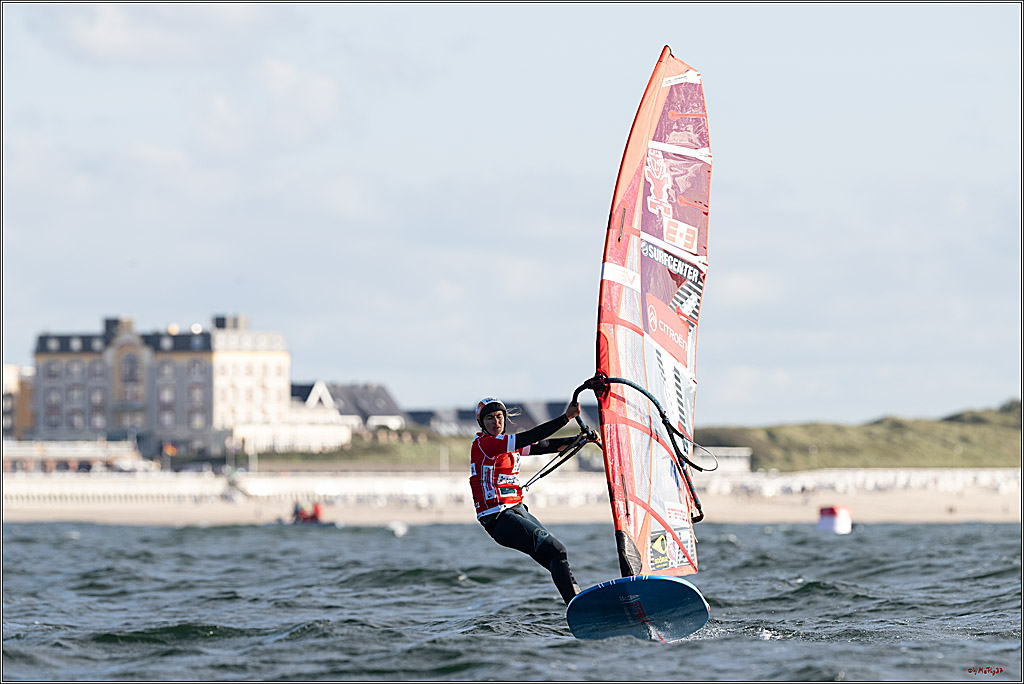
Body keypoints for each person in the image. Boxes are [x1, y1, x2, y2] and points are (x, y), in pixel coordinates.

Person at [469, 396, 585, 605]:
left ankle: (579, 601)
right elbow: (530, 436)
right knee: (557, 551)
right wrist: (565, 418)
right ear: (481, 423)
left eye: (499, 417)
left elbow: (544, 445)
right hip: (499, 518)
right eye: (489, 419)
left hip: (516, 510)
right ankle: (577, 605)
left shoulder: (507, 447)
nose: (496, 423)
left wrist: (581, 439)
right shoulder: (486, 445)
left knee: (556, 557)